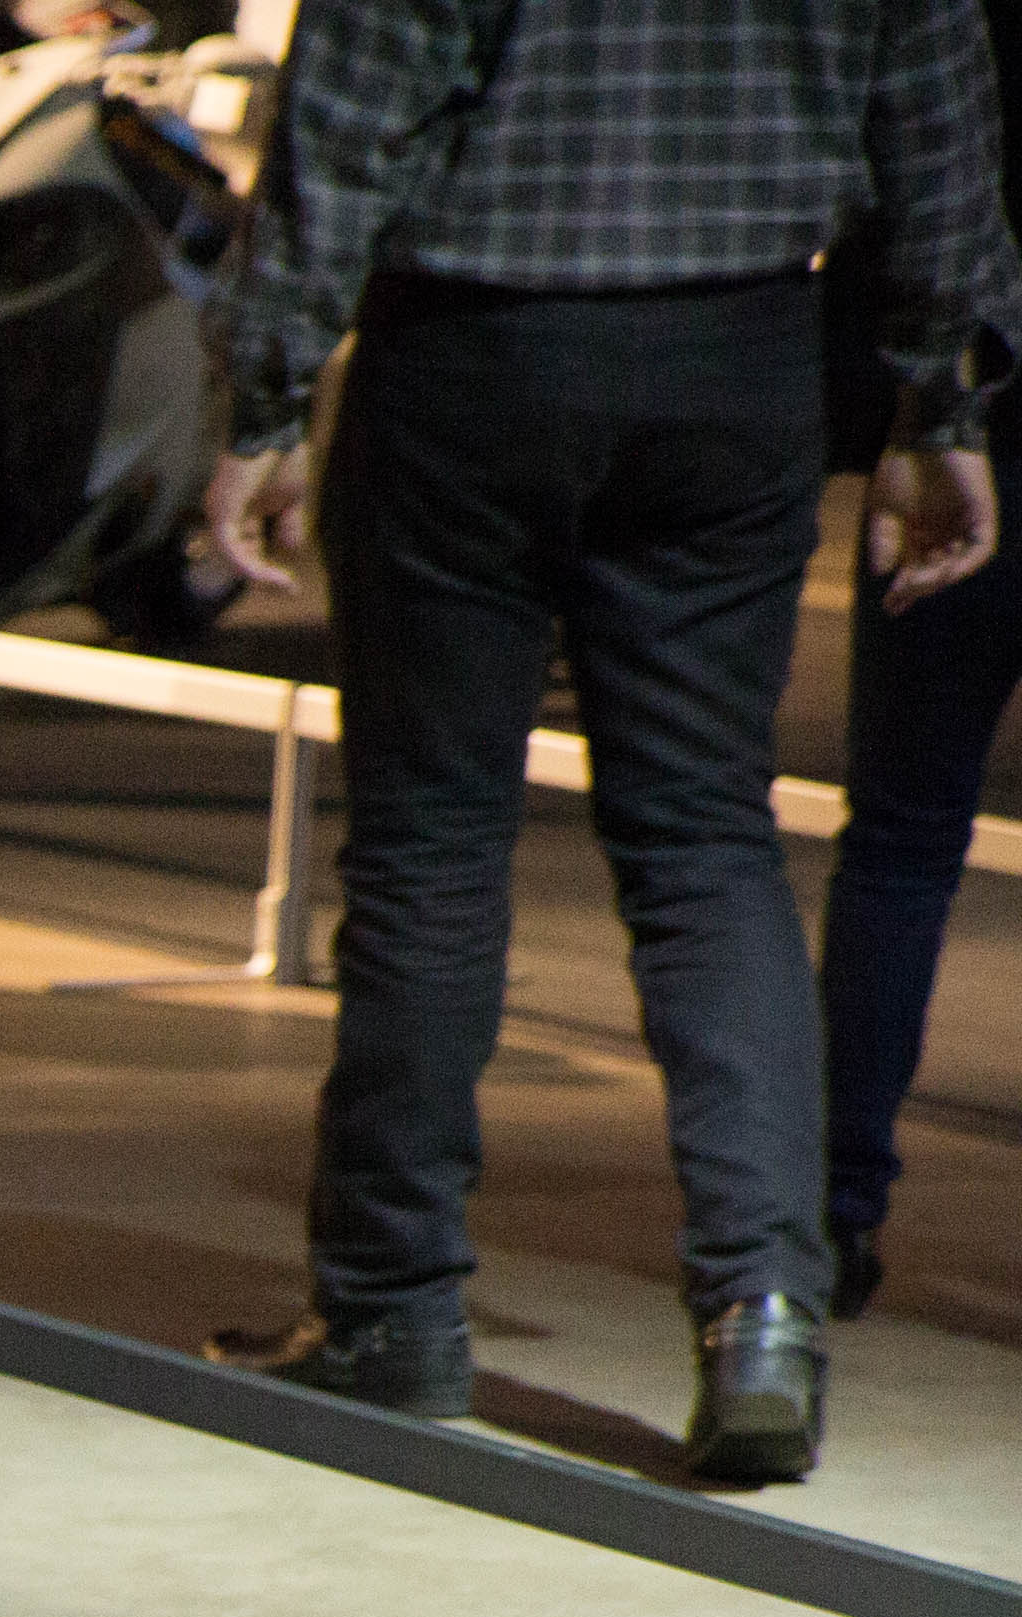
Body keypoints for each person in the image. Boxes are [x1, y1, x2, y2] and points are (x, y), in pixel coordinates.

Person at [197, 0, 1019, 1486]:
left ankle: (392, 1311)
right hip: (740, 350)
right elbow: (939, 124)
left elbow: (349, 109)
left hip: (469, 352)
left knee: (432, 842)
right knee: (709, 840)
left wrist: (266, 397)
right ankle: (766, 1315)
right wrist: (941, 402)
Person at [819, 0, 1022, 1324]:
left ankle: (830, 1217)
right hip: (961, 430)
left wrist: (916, 405)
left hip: (970, 425)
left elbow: (911, 186)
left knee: (898, 843)